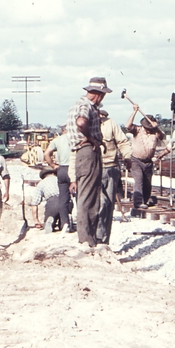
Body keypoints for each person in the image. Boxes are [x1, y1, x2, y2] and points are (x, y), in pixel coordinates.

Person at [67, 76, 111, 247]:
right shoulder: (86, 106)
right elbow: (81, 122)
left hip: (82, 152)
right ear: (99, 94)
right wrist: (92, 139)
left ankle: (87, 237)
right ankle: (87, 239)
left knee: (87, 195)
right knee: (88, 197)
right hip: (87, 151)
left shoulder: (77, 104)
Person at [97, 109, 132, 243]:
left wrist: (127, 156)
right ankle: (93, 238)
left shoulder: (111, 124)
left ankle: (104, 240)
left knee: (107, 206)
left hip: (110, 168)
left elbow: (122, 142)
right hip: (92, 170)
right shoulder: (85, 123)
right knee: (98, 204)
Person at [126, 104, 165, 211]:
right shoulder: (137, 130)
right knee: (139, 180)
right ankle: (138, 202)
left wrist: (156, 127)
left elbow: (162, 136)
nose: (148, 130)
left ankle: (145, 200)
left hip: (148, 162)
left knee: (147, 182)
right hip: (136, 160)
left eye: (150, 128)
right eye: (146, 128)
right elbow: (128, 126)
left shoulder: (156, 133)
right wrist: (134, 111)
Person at [44, 126, 74, 232]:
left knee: (63, 199)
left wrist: (53, 165)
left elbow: (46, 154)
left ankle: (64, 224)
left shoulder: (57, 140)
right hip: (74, 168)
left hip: (62, 169)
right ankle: (81, 223)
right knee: (79, 196)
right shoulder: (76, 138)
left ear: (63, 130)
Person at [27, 167, 63, 233]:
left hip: (53, 202)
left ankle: (50, 221)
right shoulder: (60, 179)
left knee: (51, 215)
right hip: (65, 200)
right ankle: (65, 223)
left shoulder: (41, 183)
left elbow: (34, 203)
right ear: (53, 173)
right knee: (64, 219)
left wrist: (36, 220)